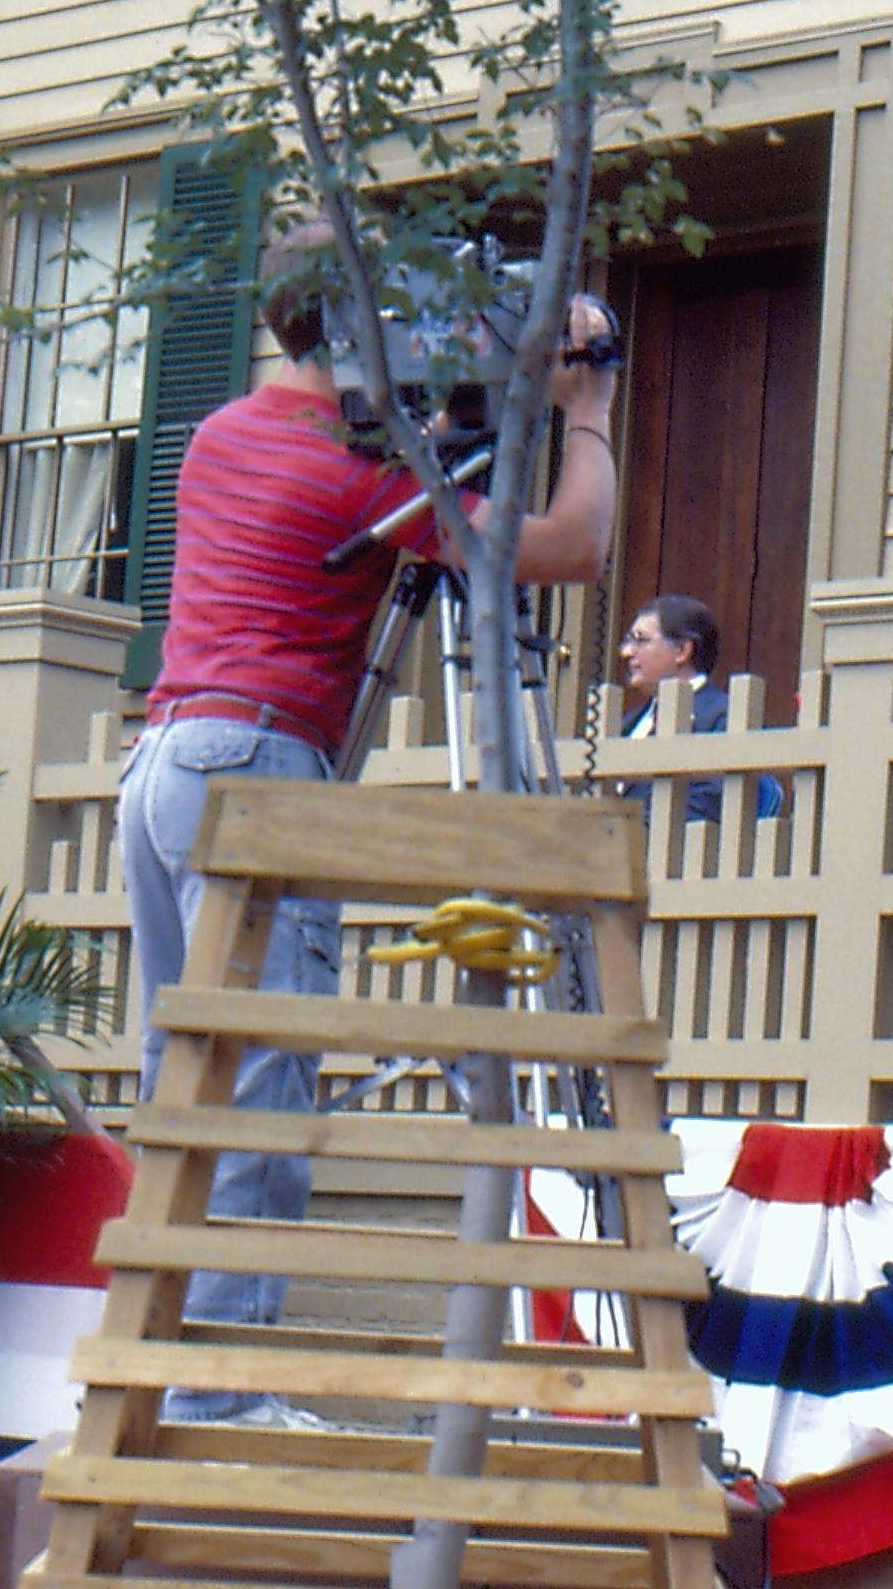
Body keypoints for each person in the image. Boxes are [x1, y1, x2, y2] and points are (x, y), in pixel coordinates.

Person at [122, 222, 621, 1425]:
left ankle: (160, 1371)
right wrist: (587, 405)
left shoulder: (224, 434)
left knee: (189, 1085)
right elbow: (573, 546)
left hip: (164, 764)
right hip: (255, 764)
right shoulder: (362, 477)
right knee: (261, 1088)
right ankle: (220, 1399)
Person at [616, 593, 781, 823]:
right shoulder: (629, 722)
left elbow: (711, 803)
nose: (626, 652)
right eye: (628, 641)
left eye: (641, 640)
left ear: (682, 650)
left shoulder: (726, 717)